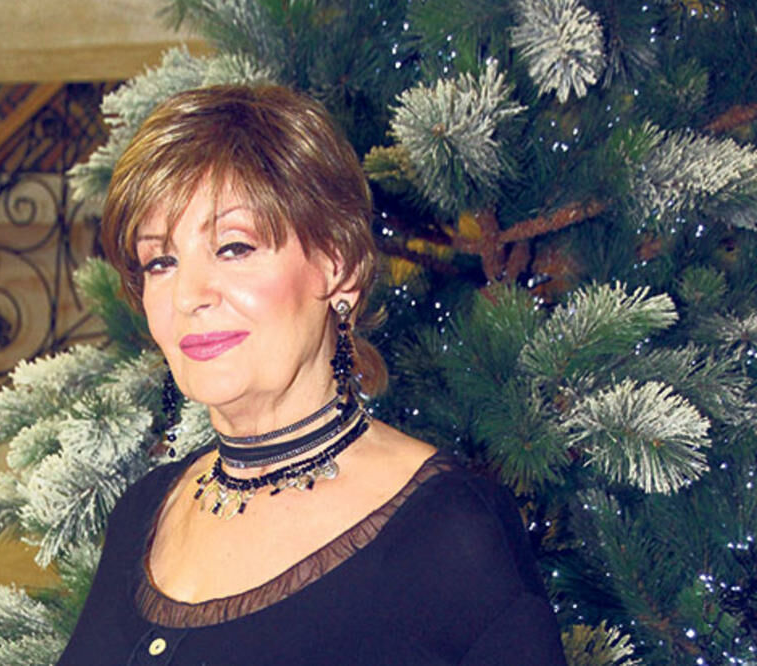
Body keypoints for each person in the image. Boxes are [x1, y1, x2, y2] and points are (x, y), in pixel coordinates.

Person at [57, 85, 566, 665]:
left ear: (338, 266)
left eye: (233, 247)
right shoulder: (142, 513)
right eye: (161, 261)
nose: (188, 296)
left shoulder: (450, 531)